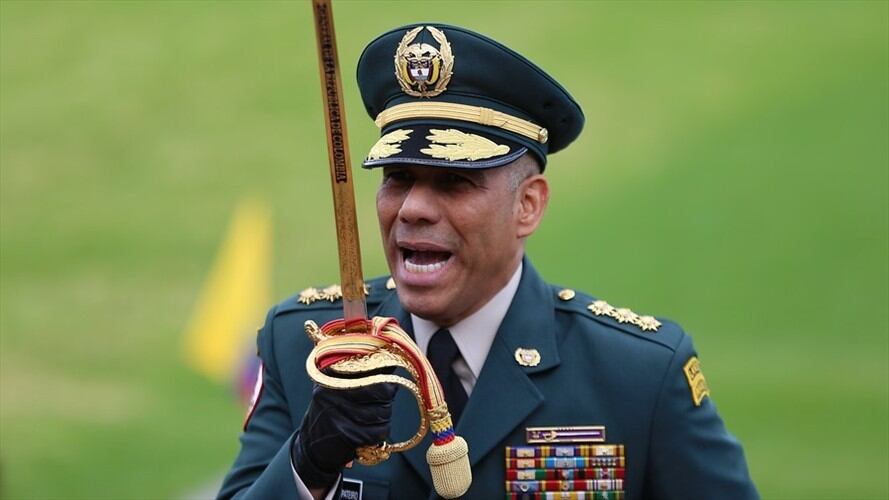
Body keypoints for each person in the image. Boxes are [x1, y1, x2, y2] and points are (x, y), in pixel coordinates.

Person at [218, 23, 758, 500]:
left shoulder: (637, 376)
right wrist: (306, 463)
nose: (412, 209)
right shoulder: (305, 349)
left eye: (455, 182)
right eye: (398, 177)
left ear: (528, 205)